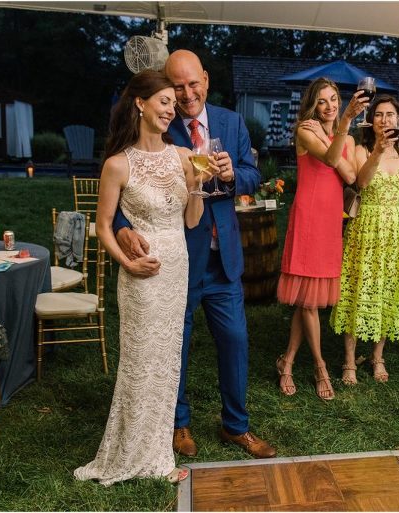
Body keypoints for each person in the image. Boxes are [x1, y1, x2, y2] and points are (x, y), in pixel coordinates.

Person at [112, 50, 276, 459]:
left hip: (225, 260)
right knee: (176, 343)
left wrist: (233, 175)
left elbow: (253, 173)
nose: (186, 95)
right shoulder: (158, 121)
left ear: (205, 79)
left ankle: (236, 426)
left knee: (235, 341)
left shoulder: (231, 122)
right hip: (177, 260)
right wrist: (122, 226)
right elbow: (125, 181)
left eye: (192, 84)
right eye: (177, 87)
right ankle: (178, 423)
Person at [74, 70, 203, 485]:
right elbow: (103, 227)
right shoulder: (117, 164)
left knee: (167, 362)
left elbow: (192, 220)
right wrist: (126, 265)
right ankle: (129, 454)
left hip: (176, 268)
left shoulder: (183, 156)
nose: (171, 110)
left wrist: (198, 184)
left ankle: (158, 456)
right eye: (164, 102)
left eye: (173, 104)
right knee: (140, 362)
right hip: (141, 277)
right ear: (140, 104)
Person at [274, 78, 364, 400]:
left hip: (329, 222)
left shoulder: (342, 137)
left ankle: (286, 361)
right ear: (313, 104)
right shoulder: (305, 130)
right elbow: (330, 161)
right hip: (309, 218)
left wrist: (335, 135)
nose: (330, 106)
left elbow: (351, 176)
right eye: (322, 101)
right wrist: (343, 124)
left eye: (334, 99)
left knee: (307, 299)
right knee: (309, 302)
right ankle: (320, 366)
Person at [330, 96, 399, 385]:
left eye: (390, 114)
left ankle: (378, 356)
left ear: (398, 120)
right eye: (379, 114)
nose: (385, 119)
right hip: (367, 228)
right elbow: (362, 183)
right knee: (359, 291)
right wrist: (378, 151)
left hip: (398, 232)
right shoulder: (361, 149)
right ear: (371, 121)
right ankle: (349, 360)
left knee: (388, 293)